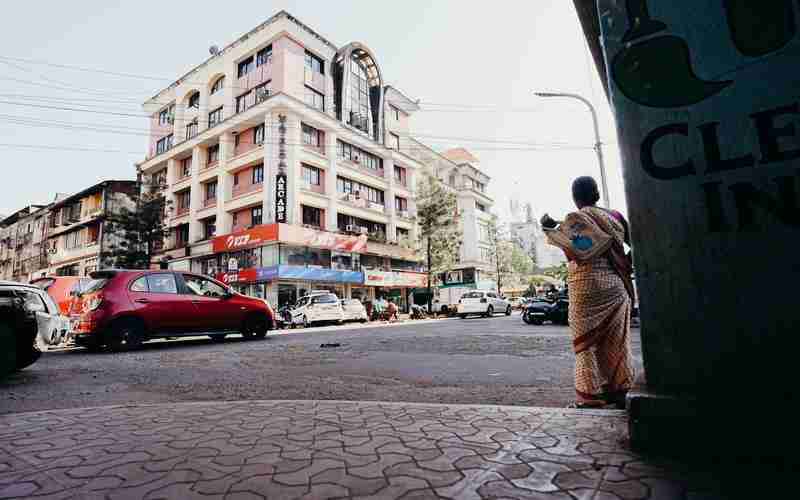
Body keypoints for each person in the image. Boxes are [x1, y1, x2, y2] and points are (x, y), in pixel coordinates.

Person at [541, 176, 635, 409]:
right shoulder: (616, 216)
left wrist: (550, 228)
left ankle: (591, 397)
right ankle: (619, 391)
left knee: (585, 346)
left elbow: (575, 251)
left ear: (575, 198)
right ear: (597, 195)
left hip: (585, 287)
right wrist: (624, 263)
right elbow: (638, 244)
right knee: (617, 342)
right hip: (615, 285)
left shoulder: (575, 219)